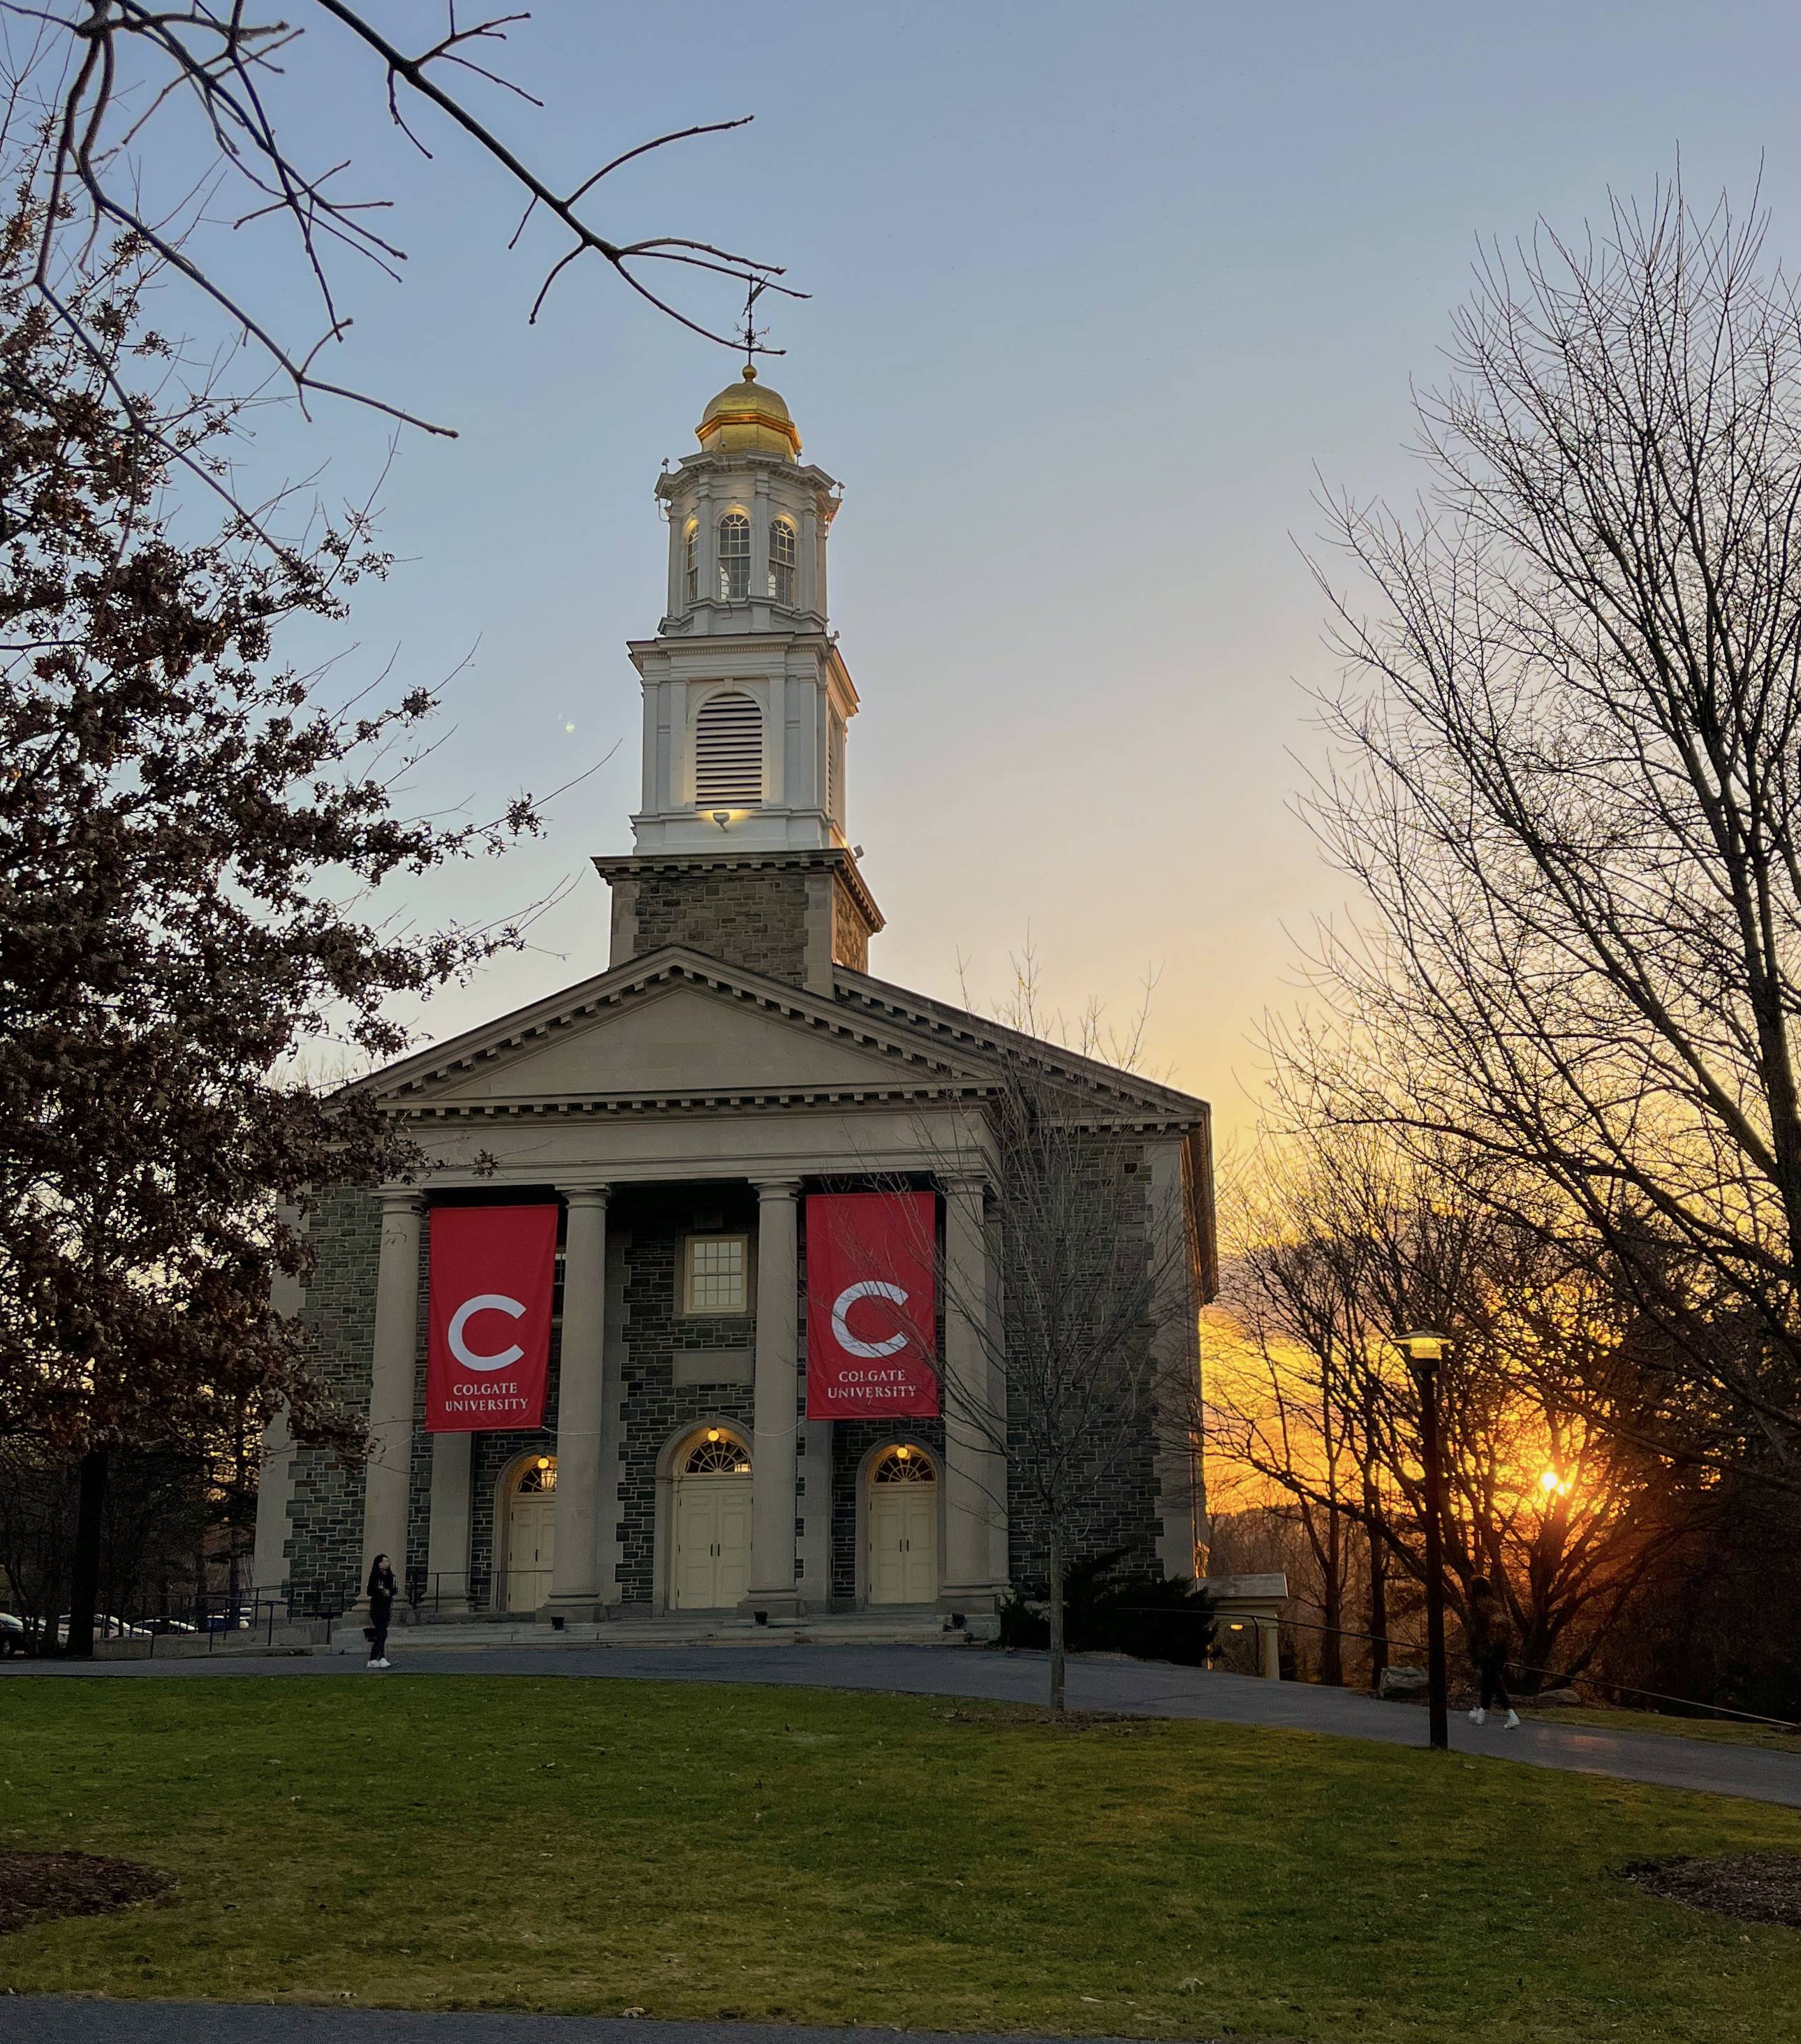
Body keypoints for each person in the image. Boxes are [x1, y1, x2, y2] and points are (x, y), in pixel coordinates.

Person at [1466, 1576, 1519, 1728]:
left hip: (1485, 1650)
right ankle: (1482, 1713)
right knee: (1489, 1681)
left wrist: (1472, 1650)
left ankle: (1511, 1714)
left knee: (1493, 1682)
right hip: (1499, 1649)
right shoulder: (1496, 1605)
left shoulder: (1478, 1606)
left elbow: (1477, 1631)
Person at [365, 1554, 396, 1670]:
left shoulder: (390, 1576)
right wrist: (380, 1591)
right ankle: (375, 1657)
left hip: (386, 1608)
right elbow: (369, 1591)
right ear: (380, 1564)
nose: (388, 1564)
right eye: (385, 1562)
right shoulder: (375, 1576)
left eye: (388, 1562)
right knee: (381, 1633)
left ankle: (379, 1657)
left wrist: (390, 1592)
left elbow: (394, 1589)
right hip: (377, 1609)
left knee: (383, 1634)